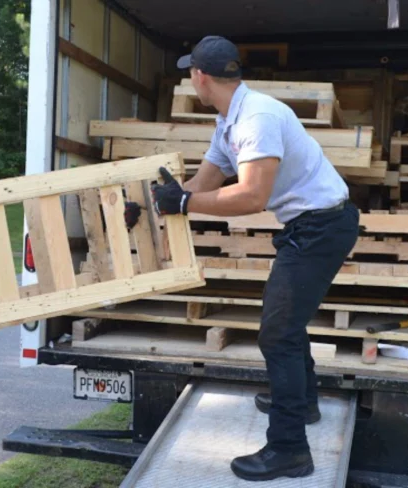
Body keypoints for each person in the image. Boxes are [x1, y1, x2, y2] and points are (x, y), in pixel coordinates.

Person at [151, 36, 360, 482]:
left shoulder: (257, 118)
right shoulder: (229, 120)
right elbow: (203, 183)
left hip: (322, 227)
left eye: (191, 73)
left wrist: (184, 204)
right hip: (309, 225)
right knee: (287, 324)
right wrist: (160, 203)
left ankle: (289, 450)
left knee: (277, 334)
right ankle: (303, 404)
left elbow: (252, 196)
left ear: (200, 77)